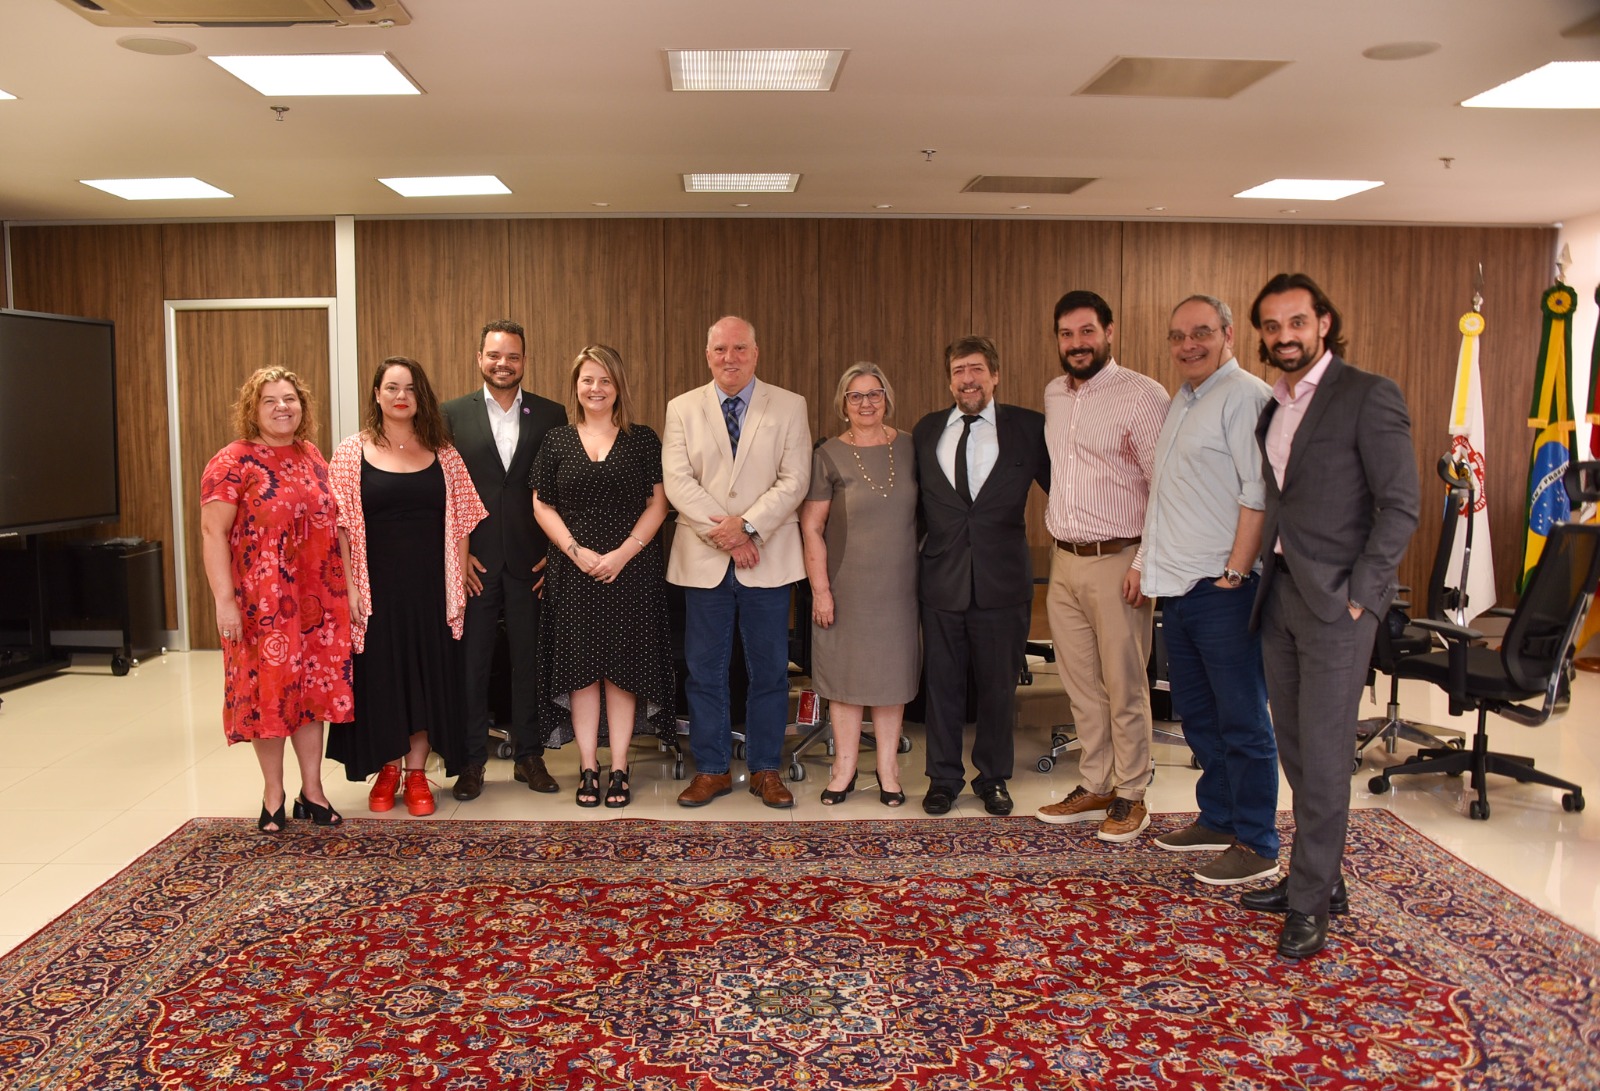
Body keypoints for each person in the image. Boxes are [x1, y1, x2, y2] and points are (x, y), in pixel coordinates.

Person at [1241, 272, 1419, 959]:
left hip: (1337, 603)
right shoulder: (1274, 405)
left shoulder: (1368, 396)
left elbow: (1399, 504)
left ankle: (1311, 899)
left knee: (1322, 752)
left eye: (1296, 322)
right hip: (1280, 592)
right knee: (1293, 744)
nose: (1284, 335)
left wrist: (1361, 593)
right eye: (1272, 324)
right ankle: (1322, 876)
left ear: (1323, 323)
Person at [1141, 295, 1279, 885]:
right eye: (1177, 336)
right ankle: (1219, 817)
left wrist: (1236, 572)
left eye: (1201, 332)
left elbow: (1259, 490)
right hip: (1181, 584)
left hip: (1224, 588)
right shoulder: (1186, 397)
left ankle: (1257, 841)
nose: (1188, 345)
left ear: (1227, 333)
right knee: (1199, 714)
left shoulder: (1245, 395)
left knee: (1243, 719)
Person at [1032, 290, 1168, 842]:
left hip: (1119, 561)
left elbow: (1166, 487)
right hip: (1064, 561)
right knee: (1082, 685)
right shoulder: (1054, 394)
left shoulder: (1143, 395)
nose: (1077, 344)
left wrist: (1143, 561)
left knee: (1124, 683)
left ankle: (1133, 792)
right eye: (1067, 334)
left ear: (1109, 331)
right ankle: (1097, 782)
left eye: (1087, 332)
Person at [327, 356, 488, 817]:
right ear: (376, 394)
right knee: (381, 679)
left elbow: (461, 523)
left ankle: (417, 772)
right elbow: (337, 526)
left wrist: (455, 582)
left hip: (429, 590)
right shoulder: (349, 452)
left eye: (411, 389)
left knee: (424, 678)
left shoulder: (444, 453)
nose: (401, 396)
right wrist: (350, 588)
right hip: (374, 589)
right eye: (392, 387)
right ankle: (388, 769)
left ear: (422, 398)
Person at [663, 315, 812, 809]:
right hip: (704, 561)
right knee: (705, 670)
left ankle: (767, 769)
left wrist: (747, 526)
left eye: (740, 348)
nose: (730, 358)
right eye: (721, 349)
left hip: (767, 559)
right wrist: (728, 535)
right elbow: (679, 481)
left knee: (769, 669)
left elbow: (795, 480)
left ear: (756, 351)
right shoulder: (682, 408)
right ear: (707, 355)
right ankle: (711, 769)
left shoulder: (789, 406)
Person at [200, 367, 353, 833]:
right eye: (270, 400)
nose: (282, 407)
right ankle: (273, 794)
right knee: (269, 697)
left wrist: (352, 587)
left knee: (311, 694)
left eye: (290, 398)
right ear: (253, 408)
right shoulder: (232, 461)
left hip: (319, 598)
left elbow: (336, 528)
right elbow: (213, 533)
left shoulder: (312, 457)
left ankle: (313, 791)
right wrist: (224, 602)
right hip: (261, 603)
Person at [531, 345, 675, 808]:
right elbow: (541, 503)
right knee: (581, 674)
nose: (596, 389)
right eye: (588, 380)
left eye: (605, 381)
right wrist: (575, 552)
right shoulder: (556, 440)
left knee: (623, 673)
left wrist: (623, 553)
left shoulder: (643, 439)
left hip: (630, 571)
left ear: (618, 387)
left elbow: (659, 504)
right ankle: (588, 767)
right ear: (576, 386)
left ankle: (618, 770)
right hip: (573, 572)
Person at [913, 336, 1049, 816]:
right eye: (957, 371)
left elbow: (1066, 490)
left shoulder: (1030, 428)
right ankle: (943, 779)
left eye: (975, 369)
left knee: (997, 688)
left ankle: (993, 778)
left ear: (994, 374)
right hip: (942, 581)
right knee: (942, 686)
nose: (966, 379)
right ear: (949, 379)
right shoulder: (928, 430)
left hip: (1003, 582)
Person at [442, 319, 567, 801]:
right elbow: (443, 491)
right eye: (494, 355)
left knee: (529, 662)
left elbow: (564, 488)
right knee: (472, 662)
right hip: (473, 562)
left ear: (524, 361)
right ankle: (471, 760)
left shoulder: (552, 415)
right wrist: (459, 550)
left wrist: (555, 552)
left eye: (512, 356)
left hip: (532, 560)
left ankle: (529, 756)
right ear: (479, 359)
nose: (503, 364)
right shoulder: (450, 414)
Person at [800, 363, 916, 806]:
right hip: (846, 584)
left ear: (886, 396)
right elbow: (812, 527)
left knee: (892, 678)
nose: (866, 403)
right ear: (843, 404)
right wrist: (821, 589)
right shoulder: (827, 453)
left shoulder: (909, 447)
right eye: (855, 396)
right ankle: (843, 768)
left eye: (874, 393)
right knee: (846, 680)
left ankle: (888, 769)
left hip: (900, 587)